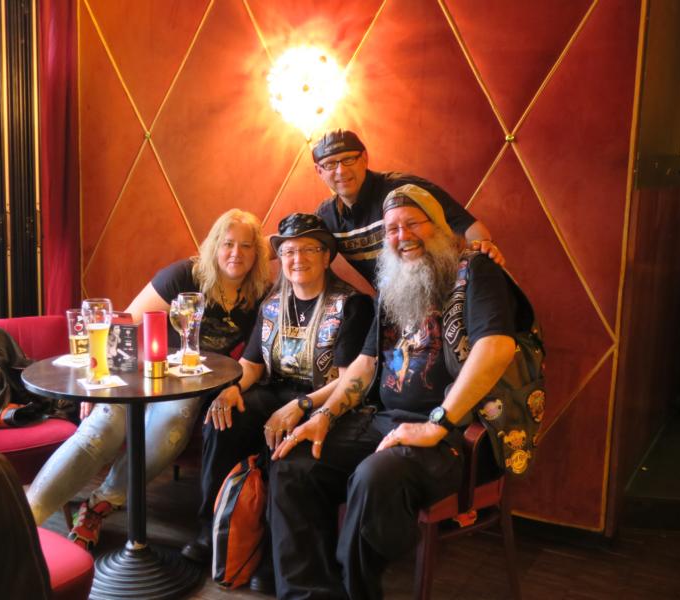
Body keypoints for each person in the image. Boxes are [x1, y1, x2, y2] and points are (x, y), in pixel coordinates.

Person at [270, 184, 520, 599]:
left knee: (374, 477)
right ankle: (307, 594)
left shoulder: (476, 271)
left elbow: (497, 347)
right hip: (386, 423)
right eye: (391, 229)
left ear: (438, 226)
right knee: (293, 463)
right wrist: (324, 416)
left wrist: (437, 424)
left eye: (412, 224)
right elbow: (366, 363)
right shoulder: (391, 283)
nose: (401, 236)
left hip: (454, 436)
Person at [25, 208, 271, 550]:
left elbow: (253, 359)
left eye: (246, 246)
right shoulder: (183, 276)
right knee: (101, 432)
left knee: (175, 423)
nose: (236, 253)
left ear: (257, 253)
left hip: (188, 386)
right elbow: (123, 323)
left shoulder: (259, 294)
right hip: (137, 374)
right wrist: (97, 380)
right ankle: (24, 522)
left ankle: (98, 505)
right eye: (228, 243)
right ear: (214, 245)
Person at [182, 213, 373, 594]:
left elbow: (346, 380)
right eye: (288, 251)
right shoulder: (272, 301)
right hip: (275, 390)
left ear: (326, 256)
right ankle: (212, 528)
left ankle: (272, 551)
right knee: (223, 418)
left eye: (308, 250)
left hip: (324, 401)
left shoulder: (352, 305)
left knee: (287, 446)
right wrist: (232, 388)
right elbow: (252, 365)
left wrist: (301, 405)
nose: (297, 259)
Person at [311, 128, 504, 287]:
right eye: (330, 164)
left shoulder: (405, 188)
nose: (341, 171)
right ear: (319, 171)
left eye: (348, 159)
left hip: (445, 290)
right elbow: (305, 254)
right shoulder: (326, 216)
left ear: (364, 158)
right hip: (395, 305)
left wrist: (482, 251)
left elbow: (473, 230)